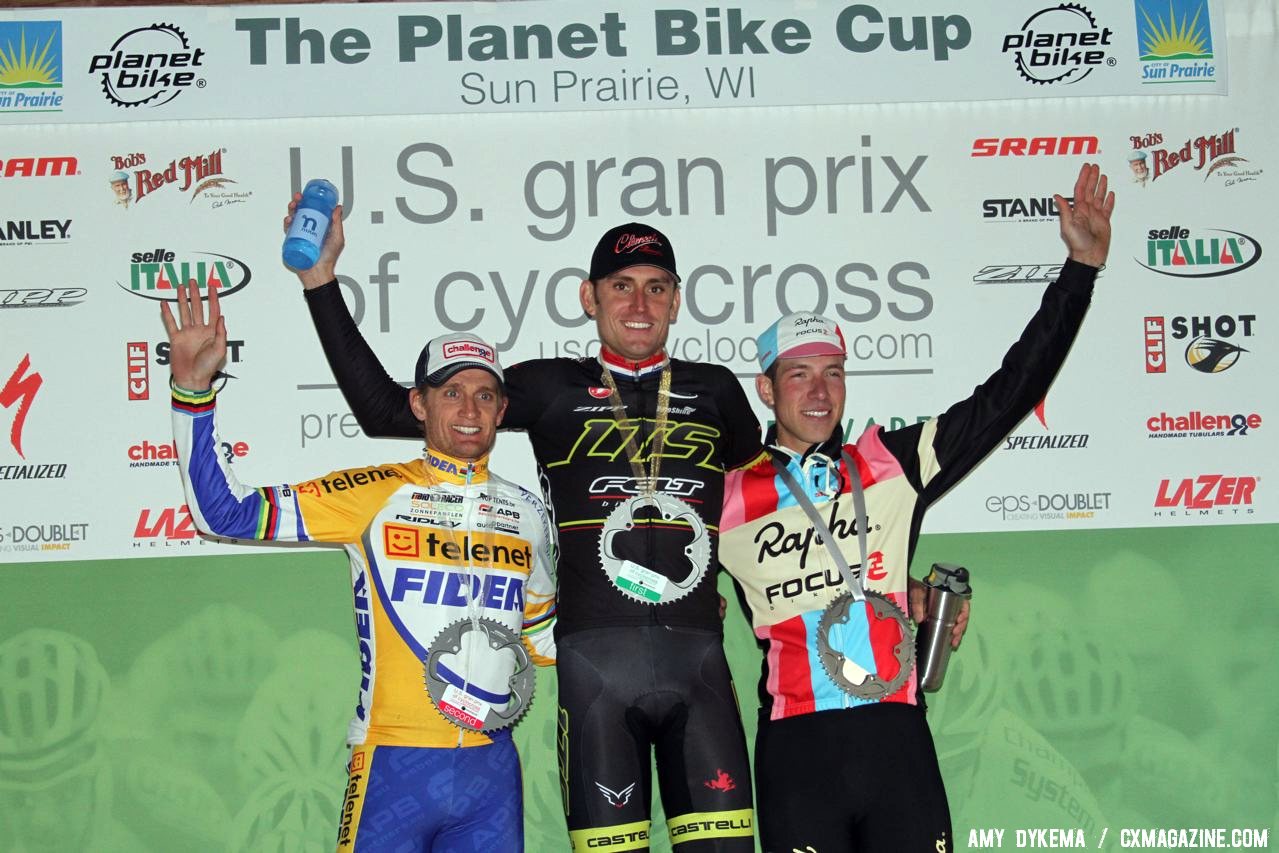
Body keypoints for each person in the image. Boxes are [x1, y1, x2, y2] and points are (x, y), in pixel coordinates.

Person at [292, 208, 765, 849]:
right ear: (588, 297)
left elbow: (759, 504)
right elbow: (385, 409)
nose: (639, 302)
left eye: (657, 286)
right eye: (621, 285)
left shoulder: (718, 391)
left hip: (699, 660)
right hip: (595, 663)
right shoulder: (548, 386)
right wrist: (321, 281)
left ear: (677, 301)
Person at [716, 162, 1114, 852]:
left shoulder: (890, 461)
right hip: (796, 747)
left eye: (832, 372)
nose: (818, 391)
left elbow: (1008, 391)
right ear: (765, 387)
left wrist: (1078, 269)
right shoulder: (724, 492)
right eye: (798, 374)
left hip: (896, 738)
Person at [162, 284, 557, 852]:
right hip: (393, 762)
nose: (469, 411)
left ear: (501, 409)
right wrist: (193, 391)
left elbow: (541, 633)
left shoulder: (525, 512)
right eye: (451, 393)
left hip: (491, 771)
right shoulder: (373, 493)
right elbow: (224, 512)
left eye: (485, 395)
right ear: (419, 404)